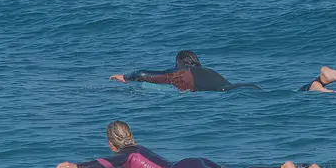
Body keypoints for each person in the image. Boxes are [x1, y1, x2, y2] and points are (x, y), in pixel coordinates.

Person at [54, 122, 325, 168]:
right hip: (190, 162)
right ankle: (305, 167)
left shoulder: (123, 155)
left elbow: (103, 164)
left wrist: (75, 166)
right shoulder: (138, 148)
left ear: (112, 143)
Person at [110, 50, 256, 92]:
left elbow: (142, 74)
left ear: (179, 63)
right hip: (242, 87)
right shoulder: (208, 71)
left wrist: (125, 77)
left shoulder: (184, 74)